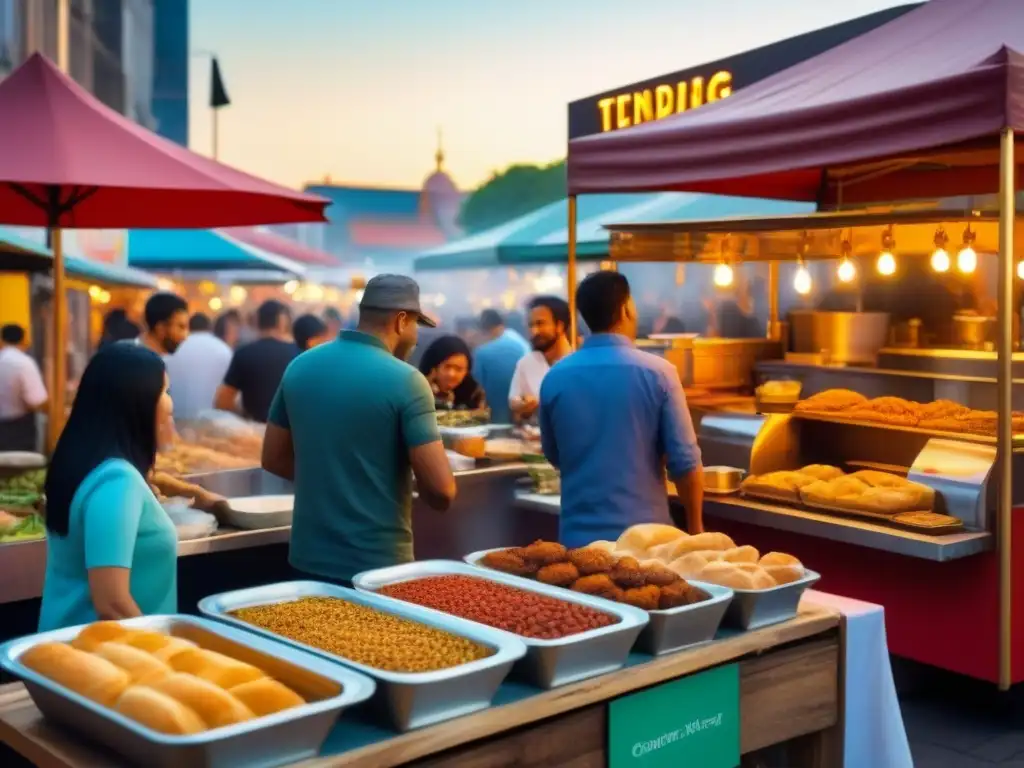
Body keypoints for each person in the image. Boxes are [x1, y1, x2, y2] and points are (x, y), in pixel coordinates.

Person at [262, 274, 456, 585]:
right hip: (377, 568)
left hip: (306, 561)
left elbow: (272, 458)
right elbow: (442, 491)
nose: (416, 337)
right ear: (401, 321)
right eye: (416, 326)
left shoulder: (301, 366)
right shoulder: (407, 380)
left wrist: (331, 480)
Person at [539, 271, 704, 547]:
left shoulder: (555, 377)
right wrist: (696, 527)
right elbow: (685, 463)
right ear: (626, 308)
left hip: (578, 545)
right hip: (647, 545)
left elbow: (554, 454)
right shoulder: (660, 373)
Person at [38, 344, 177, 630]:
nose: (169, 403)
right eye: (164, 391)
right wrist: (161, 655)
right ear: (137, 401)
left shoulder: (81, 461)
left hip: (73, 646)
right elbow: (111, 602)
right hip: (101, 658)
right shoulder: (117, 481)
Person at [215, 300, 297, 423]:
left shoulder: (243, 353)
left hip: (253, 430)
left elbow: (222, 402)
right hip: (288, 433)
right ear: (282, 322)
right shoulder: (298, 354)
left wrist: (242, 413)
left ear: (257, 322)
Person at [509, 296, 573, 422]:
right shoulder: (526, 363)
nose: (534, 331)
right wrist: (524, 407)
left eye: (540, 323)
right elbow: (514, 404)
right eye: (530, 325)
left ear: (559, 326)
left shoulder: (577, 363)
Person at [163, 312, 233, 421]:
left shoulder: (178, 349)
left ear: (189, 328)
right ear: (210, 327)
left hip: (180, 418)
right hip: (215, 420)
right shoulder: (223, 349)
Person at [472, 309, 528, 424]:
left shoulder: (483, 352)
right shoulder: (522, 343)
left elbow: (476, 387)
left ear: (484, 330)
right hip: (524, 412)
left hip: (496, 417)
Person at [0, 324, 47, 451]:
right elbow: (35, 401)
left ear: (2, 339)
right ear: (23, 340)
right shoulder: (24, 363)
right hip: (18, 430)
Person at [419, 335, 486, 411]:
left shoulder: (474, 394)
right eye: (447, 367)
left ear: (466, 371)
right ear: (434, 367)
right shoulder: (417, 390)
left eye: (459, 369)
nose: (451, 374)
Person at [135, 292, 189, 357]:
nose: (185, 336)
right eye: (181, 327)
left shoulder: (170, 360)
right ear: (161, 328)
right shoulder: (131, 359)